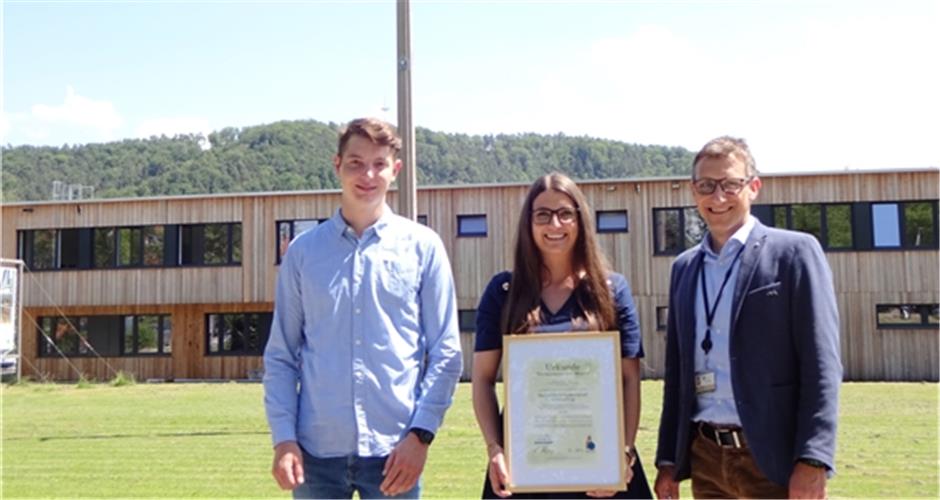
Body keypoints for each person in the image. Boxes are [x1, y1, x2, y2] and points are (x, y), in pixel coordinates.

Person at [263, 117, 463, 499]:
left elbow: (446, 352)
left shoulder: (424, 247)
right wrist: (283, 439)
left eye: (379, 164)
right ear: (337, 165)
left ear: (395, 170)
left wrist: (421, 436)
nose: (367, 174)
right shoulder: (303, 253)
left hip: (396, 453)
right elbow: (282, 356)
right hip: (314, 456)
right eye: (355, 163)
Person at [654, 136, 842, 499]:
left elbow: (822, 365)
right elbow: (677, 374)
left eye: (730, 184)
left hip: (773, 459)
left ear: (753, 187)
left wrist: (814, 458)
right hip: (706, 456)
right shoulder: (684, 268)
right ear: (694, 191)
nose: (718, 197)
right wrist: (668, 461)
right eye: (707, 186)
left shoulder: (795, 254)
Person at [472, 172, 653, 499]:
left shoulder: (611, 291)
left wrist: (623, 453)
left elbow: (629, 379)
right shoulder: (503, 292)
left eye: (565, 213)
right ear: (529, 223)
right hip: (525, 465)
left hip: (600, 464)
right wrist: (495, 449)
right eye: (543, 214)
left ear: (580, 220)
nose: (554, 224)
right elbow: (483, 379)